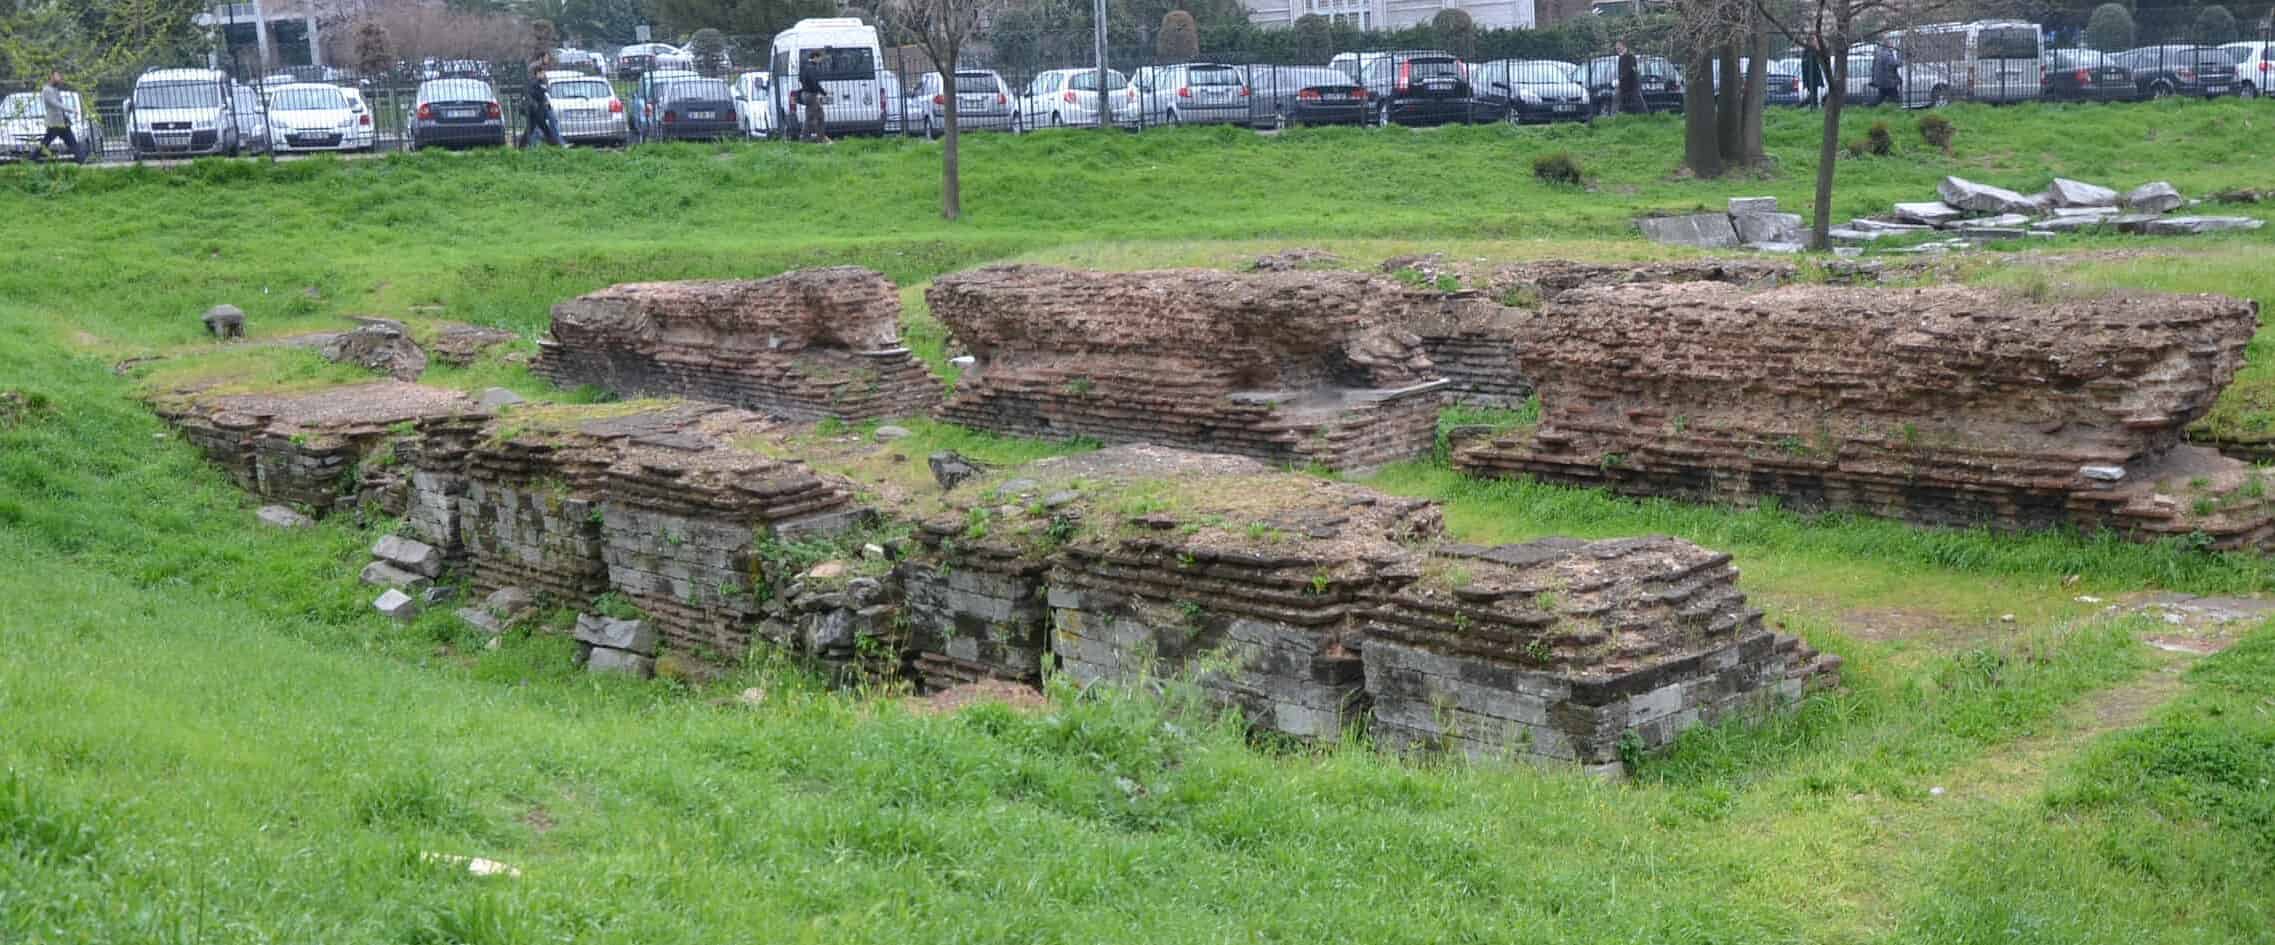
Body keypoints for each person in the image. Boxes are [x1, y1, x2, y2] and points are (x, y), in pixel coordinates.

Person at [34, 72, 85, 164]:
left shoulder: (55, 89)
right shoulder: (47, 90)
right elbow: (55, 103)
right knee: (46, 142)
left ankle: (81, 160)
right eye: (58, 77)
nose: (60, 79)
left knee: (71, 141)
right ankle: (31, 159)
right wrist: (70, 109)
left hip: (62, 121)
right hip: (55, 122)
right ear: (51, 77)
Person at [520, 60, 562, 147]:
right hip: (536, 110)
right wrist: (542, 91)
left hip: (536, 110)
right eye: (542, 73)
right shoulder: (536, 83)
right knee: (541, 128)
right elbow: (538, 94)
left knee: (534, 129)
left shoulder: (535, 82)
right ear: (538, 73)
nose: (543, 75)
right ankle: (555, 145)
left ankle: (522, 146)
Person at [799, 48, 830, 143]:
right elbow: (814, 83)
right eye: (820, 58)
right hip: (811, 95)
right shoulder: (811, 68)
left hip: (805, 93)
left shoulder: (804, 66)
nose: (820, 60)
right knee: (811, 118)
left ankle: (821, 137)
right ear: (815, 57)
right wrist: (824, 92)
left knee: (819, 115)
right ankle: (806, 139)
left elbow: (800, 78)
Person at [1615, 41, 1647, 115]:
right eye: (1616, 47)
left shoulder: (1630, 56)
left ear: (1624, 46)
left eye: (1619, 47)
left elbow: (1630, 70)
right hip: (1624, 85)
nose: (1617, 49)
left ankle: (1644, 115)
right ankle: (1625, 115)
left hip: (1632, 84)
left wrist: (1621, 78)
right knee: (1624, 102)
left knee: (1637, 102)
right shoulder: (1621, 57)